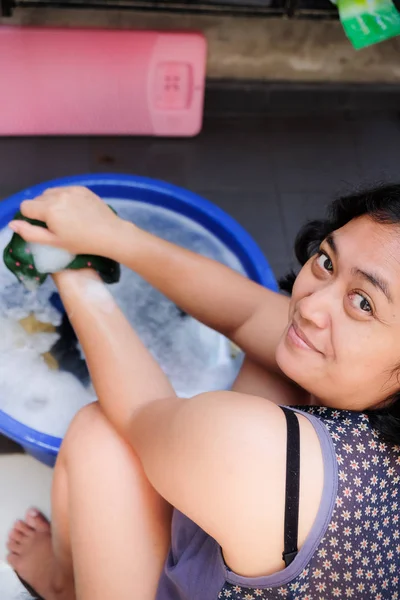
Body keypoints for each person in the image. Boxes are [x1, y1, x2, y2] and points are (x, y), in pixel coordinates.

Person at [6, 184, 400, 600]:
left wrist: (68, 264)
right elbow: (247, 315)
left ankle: (62, 586)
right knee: (274, 365)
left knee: (101, 434)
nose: (310, 306)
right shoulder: (372, 381)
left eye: (363, 304)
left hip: (265, 487)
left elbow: (142, 411)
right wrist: (111, 233)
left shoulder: (262, 453)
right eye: (326, 261)